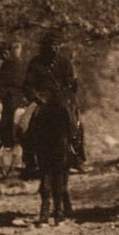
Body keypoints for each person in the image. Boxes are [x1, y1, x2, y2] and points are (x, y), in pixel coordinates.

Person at [22, 30, 86, 171]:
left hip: (61, 99)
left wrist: (68, 95)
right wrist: (36, 97)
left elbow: (70, 85)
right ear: (45, 46)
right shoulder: (35, 63)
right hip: (41, 99)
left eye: (57, 45)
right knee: (23, 124)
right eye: (52, 44)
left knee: (78, 124)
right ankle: (30, 159)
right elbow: (28, 85)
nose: (55, 48)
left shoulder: (64, 63)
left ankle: (77, 157)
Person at [0, 40, 26, 148]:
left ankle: (3, 139)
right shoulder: (5, 65)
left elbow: (0, 84)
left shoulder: (15, 64)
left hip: (11, 98)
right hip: (7, 97)